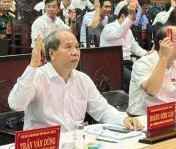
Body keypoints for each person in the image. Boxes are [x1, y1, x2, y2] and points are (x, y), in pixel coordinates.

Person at [8, 30, 143, 132]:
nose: (75, 52)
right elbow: (16, 104)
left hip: (75, 144)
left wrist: (123, 119)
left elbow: (102, 109)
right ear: (52, 53)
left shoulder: (82, 79)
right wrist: (32, 65)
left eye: (77, 47)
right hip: (43, 147)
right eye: (68, 47)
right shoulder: (37, 77)